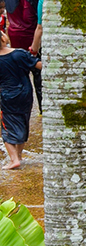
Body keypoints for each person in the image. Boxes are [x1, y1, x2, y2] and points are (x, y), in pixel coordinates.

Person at [0, 28, 37, 169]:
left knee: (8, 128)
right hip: (25, 94)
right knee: (23, 121)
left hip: (8, 96)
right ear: (4, 39)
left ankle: (14, 159)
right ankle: (19, 155)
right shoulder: (20, 54)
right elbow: (39, 65)